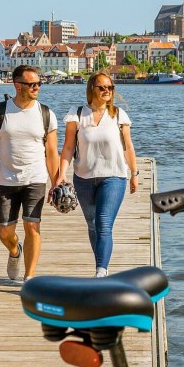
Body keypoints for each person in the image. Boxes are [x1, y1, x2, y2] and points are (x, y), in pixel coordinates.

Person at [0, 65, 59, 282]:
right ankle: (14, 251)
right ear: (17, 85)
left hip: (36, 179)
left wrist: (57, 182)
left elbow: (51, 152)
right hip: (6, 180)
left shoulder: (46, 114)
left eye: (39, 83)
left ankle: (29, 278)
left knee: (32, 226)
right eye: (32, 84)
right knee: (4, 232)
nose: (37, 87)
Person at [53, 71, 138, 277]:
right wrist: (60, 175)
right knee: (92, 224)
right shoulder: (77, 114)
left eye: (110, 87)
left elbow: (128, 147)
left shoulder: (118, 115)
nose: (107, 91)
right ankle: (101, 264)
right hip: (83, 178)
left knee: (103, 222)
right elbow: (67, 148)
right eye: (102, 87)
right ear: (92, 89)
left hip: (114, 177)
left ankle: (101, 271)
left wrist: (134, 173)